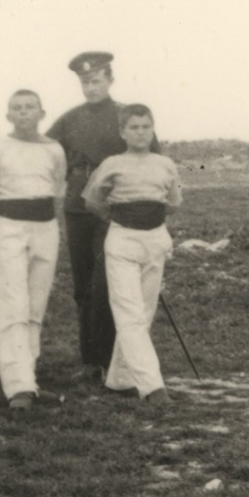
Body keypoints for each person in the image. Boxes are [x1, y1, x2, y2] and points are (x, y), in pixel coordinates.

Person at [49, 51, 160, 380]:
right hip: (77, 206)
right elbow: (47, 150)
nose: (90, 87)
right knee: (83, 284)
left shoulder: (127, 116)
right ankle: (90, 362)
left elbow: (153, 159)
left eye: (96, 80)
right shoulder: (69, 119)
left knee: (105, 284)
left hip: (113, 206)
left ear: (109, 80)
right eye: (84, 82)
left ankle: (110, 358)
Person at [0, 89, 68, 408]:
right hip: (11, 227)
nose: (24, 113)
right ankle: (17, 386)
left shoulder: (54, 149)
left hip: (46, 227)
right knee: (13, 304)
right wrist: (13, 200)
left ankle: (30, 379)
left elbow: (58, 183)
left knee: (36, 306)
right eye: (17, 108)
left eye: (30, 108)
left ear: (41, 113)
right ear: (8, 115)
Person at [82, 105, 185, 401]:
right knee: (129, 314)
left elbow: (175, 201)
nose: (140, 132)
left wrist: (149, 214)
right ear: (122, 132)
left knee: (144, 313)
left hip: (154, 239)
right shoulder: (112, 163)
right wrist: (121, 217)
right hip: (123, 240)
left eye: (145, 126)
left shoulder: (166, 164)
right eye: (134, 127)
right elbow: (91, 200)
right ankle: (152, 386)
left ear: (153, 129)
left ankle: (119, 378)